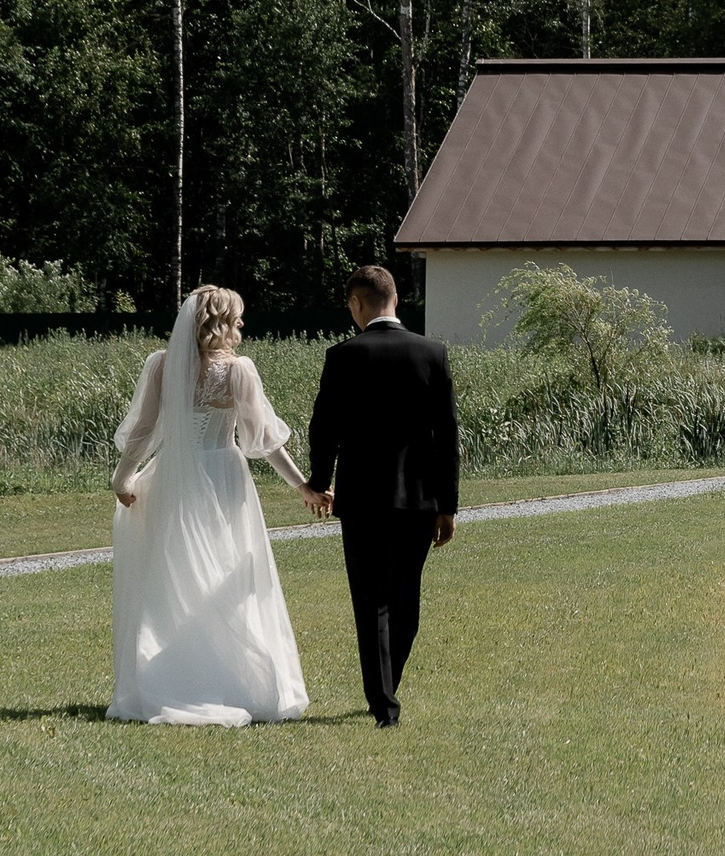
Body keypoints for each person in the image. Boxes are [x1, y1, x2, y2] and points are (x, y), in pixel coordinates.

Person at [107, 284, 313, 726]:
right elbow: (264, 443)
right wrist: (303, 485)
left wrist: (123, 477)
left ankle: (174, 675)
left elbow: (144, 429)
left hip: (173, 477)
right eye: (237, 317)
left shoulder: (162, 366)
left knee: (176, 574)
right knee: (223, 574)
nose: (242, 325)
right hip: (221, 478)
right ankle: (231, 679)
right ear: (221, 322)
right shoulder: (239, 371)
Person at [302, 265, 460, 727]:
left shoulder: (343, 356)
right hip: (419, 501)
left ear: (357, 303)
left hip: (364, 500)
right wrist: (448, 505)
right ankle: (387, 692)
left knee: (371, 602)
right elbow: (448, 436)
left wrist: (319, 479)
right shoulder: (432, 354)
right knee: (405, 599)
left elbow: (323, 427)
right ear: (396, 299)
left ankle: (383, 699)